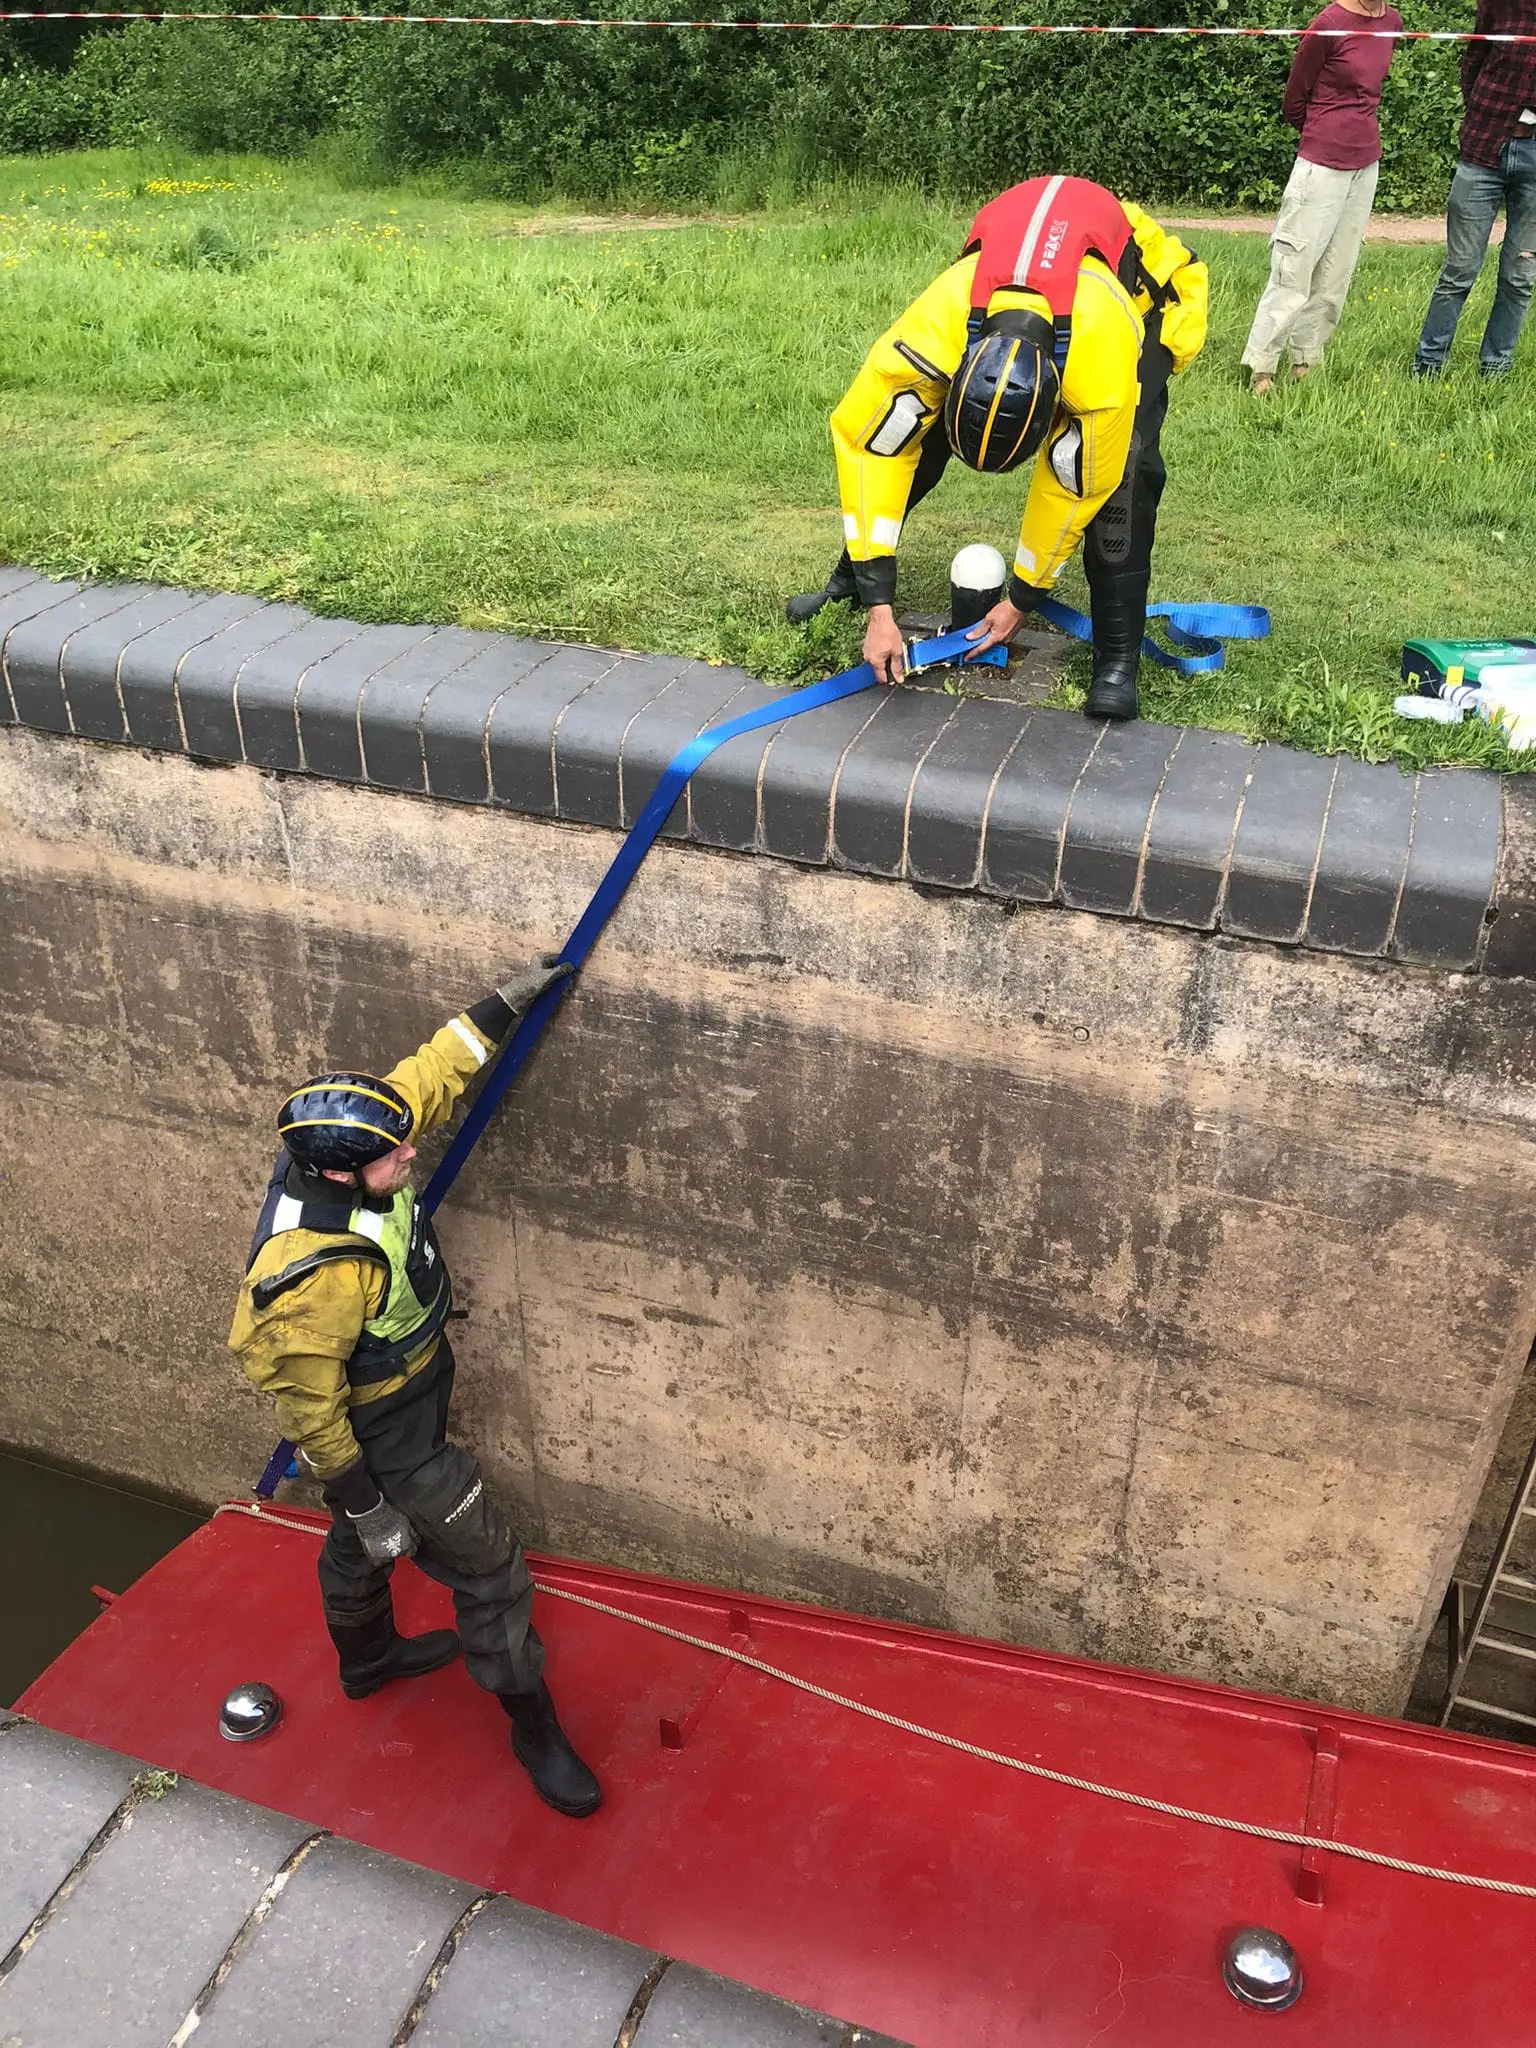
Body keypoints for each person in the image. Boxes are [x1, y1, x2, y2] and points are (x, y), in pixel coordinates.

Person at [227, 954, 603, 1820]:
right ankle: (533, 1727)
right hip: (381, 1427)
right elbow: (310, 1408)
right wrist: (367, 1500)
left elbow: (431, 1073)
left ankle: (367, 1662)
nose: (411, 1153)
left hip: (417, 1378)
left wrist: (501, 1005)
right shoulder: (314, 1272)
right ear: (338, 1176)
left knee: (357, 1552)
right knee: (488, 1566)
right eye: (394, 1154)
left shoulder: (357, 1146)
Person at [785, 176, 1208, 722]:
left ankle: (1117, 659)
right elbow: (873, 452)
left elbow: (1074, 488)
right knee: (912, 436)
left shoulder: (1098, 371)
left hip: (1139, 301)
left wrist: (1022, 599)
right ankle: (850, 580)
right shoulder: (934, 333)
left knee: (1122, 476)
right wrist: (879, 607)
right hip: (1006, 289)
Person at [1241, 0, 1402, 393]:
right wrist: (1324, 134)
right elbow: (1293, 101)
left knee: (1336, 272)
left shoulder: (1393, 22)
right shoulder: (1328, 23)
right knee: (1294, 268)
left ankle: (1306, 360)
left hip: (1366, 164)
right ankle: (1262, 367)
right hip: (1321, 166)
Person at [1412, 0, 1536, 379]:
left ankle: (1495, 368)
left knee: (1520, 277)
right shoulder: (1499, 3)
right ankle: (1428, 366)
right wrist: (1479, 116)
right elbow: (1474, 59)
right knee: (1459, 270)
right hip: (1484, 147)